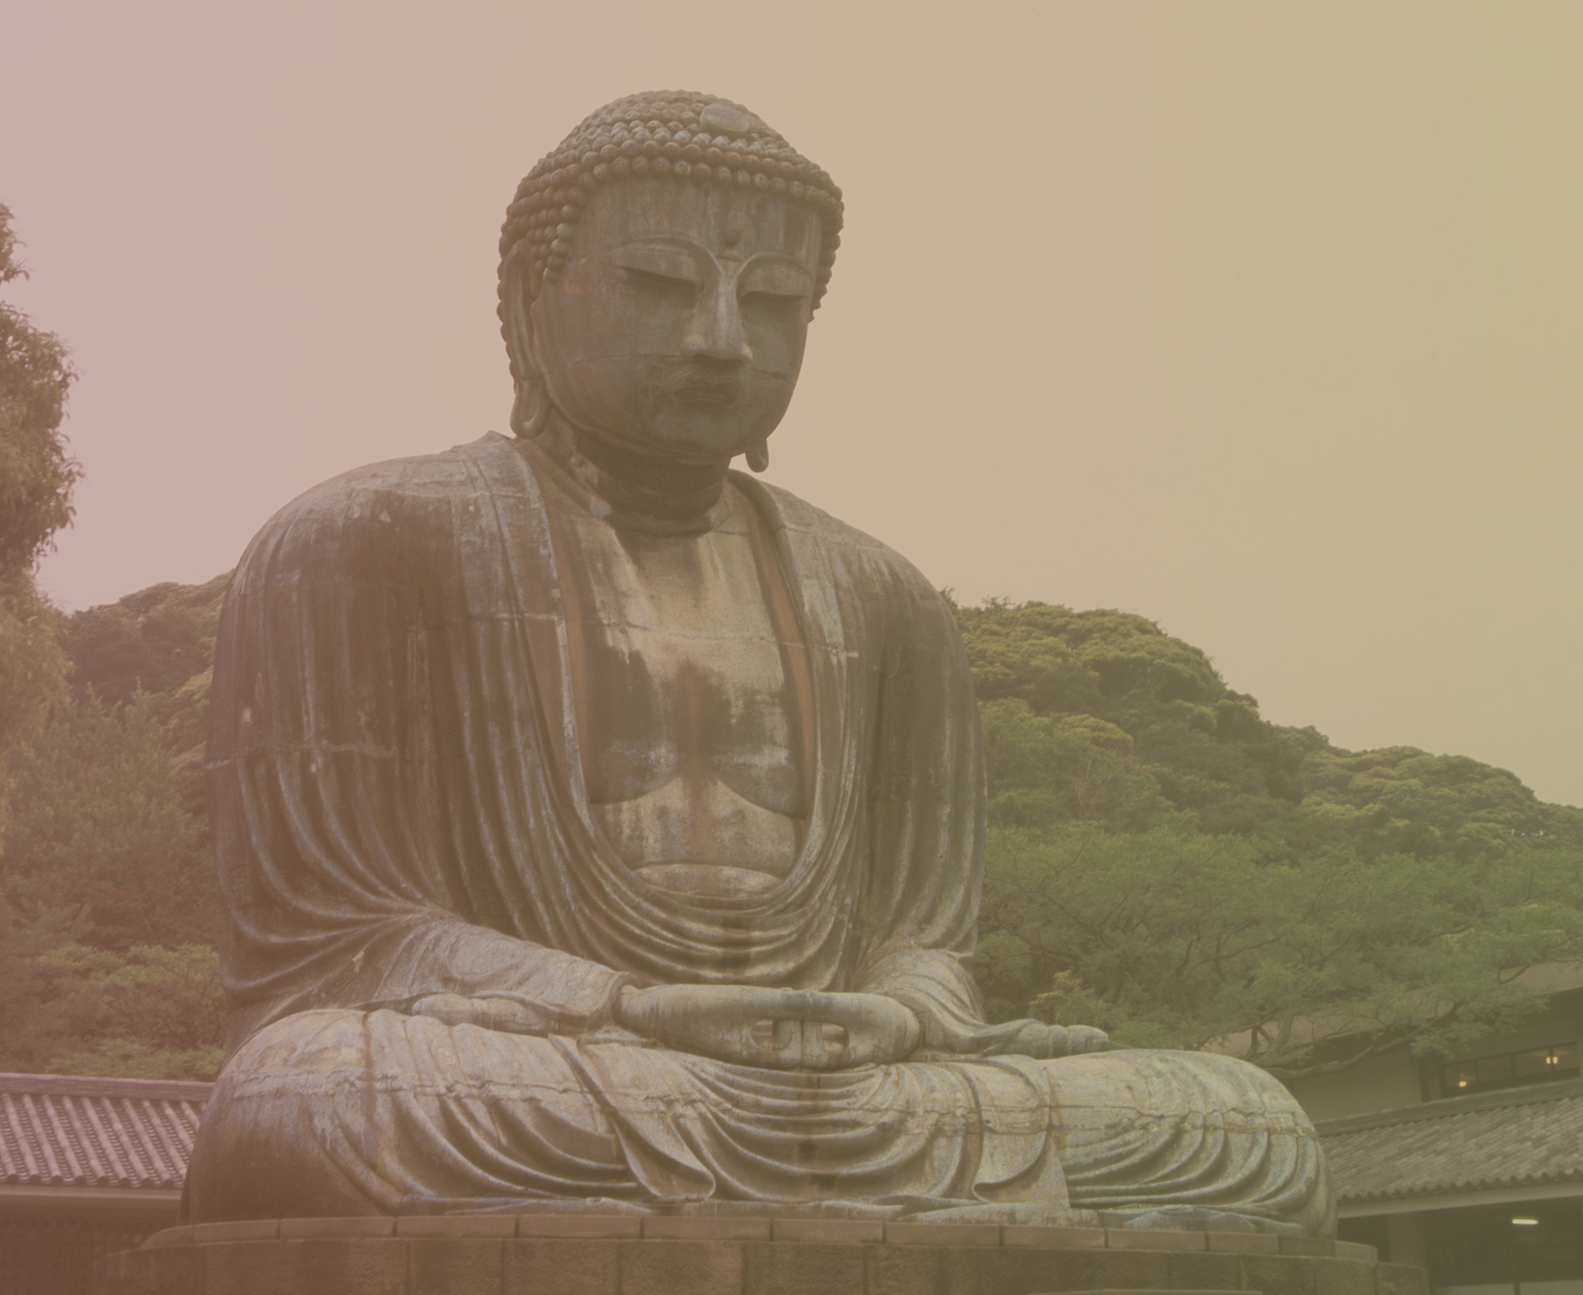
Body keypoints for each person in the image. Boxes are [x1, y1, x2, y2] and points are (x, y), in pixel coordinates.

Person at [182, 91, 1333, 1234]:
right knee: (311, 1091)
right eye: (659, 285)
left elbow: (921, 942)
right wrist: (625, 1001)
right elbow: (340, 943)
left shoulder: (886, 598)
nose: (721, 339)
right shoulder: (359, 543)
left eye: (773, 301)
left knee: (1250, 1123)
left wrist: (894, 1011)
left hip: (846, 1085)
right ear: (534, 301)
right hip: (537, 1066)